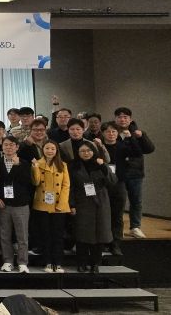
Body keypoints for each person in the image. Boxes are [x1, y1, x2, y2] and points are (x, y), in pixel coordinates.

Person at [69, 141, 113, 273]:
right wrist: (71, 204)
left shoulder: (101, 165)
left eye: (88, 150)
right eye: (82, 151)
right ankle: (81, 263)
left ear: (94, 152)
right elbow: (70, 187)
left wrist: (103, 166)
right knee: (82, 234)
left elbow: (113, 181)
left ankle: (95, 264)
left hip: (101, 202)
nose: (86, 153)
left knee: (100, 234)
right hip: (82, 201)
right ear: (78, 153)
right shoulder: (74, 166)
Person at [101, 122, 142, 255]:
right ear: (103, 133)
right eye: (108, 131)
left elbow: (137, 152)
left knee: (117, 215)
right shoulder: (98, 147)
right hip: (102, 185)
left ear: (117, 133)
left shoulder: (122, 146)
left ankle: (115, 244)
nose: (111, 134)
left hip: (119, 183)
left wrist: (130, 138)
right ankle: (103, 242)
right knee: (102, 214)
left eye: (113, 131)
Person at [114, 107, 155, 239]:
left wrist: (141, 136)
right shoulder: (112, 132)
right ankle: (117, 228)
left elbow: (150, 149)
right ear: (115, 119)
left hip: (135, 172)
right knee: (118, 201)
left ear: (130, 119)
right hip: (118, 173)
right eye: (119, 117)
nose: (122, 119)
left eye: (125, 117)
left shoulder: (138, 133)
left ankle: (135, 227)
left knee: (136, 201)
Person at [0, 136, 31, 273]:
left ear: (17, 147)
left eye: (11, 145)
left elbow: (27, 182)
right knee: (5, 235)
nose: (8, 147)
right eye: (6, 145)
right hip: (3, 204)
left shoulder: (24, 163)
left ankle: (22, 262)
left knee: (22, 236)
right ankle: (7, 261)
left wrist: (17, 166)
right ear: (2, 147)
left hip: (21, 204)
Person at [32, 140, 70, 273]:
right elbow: (35, 182)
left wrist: (62, 203)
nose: (50, 151)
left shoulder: (63, 165)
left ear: (56, 150)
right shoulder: (37, 163)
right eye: (47, 148)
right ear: (43, 150)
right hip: (42, 205)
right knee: (45, 235)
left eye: (52, 149)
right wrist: (35, 167)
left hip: (59, 205)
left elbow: (66, 185)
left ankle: (58, 263)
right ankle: (47, 262)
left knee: (58, 235)